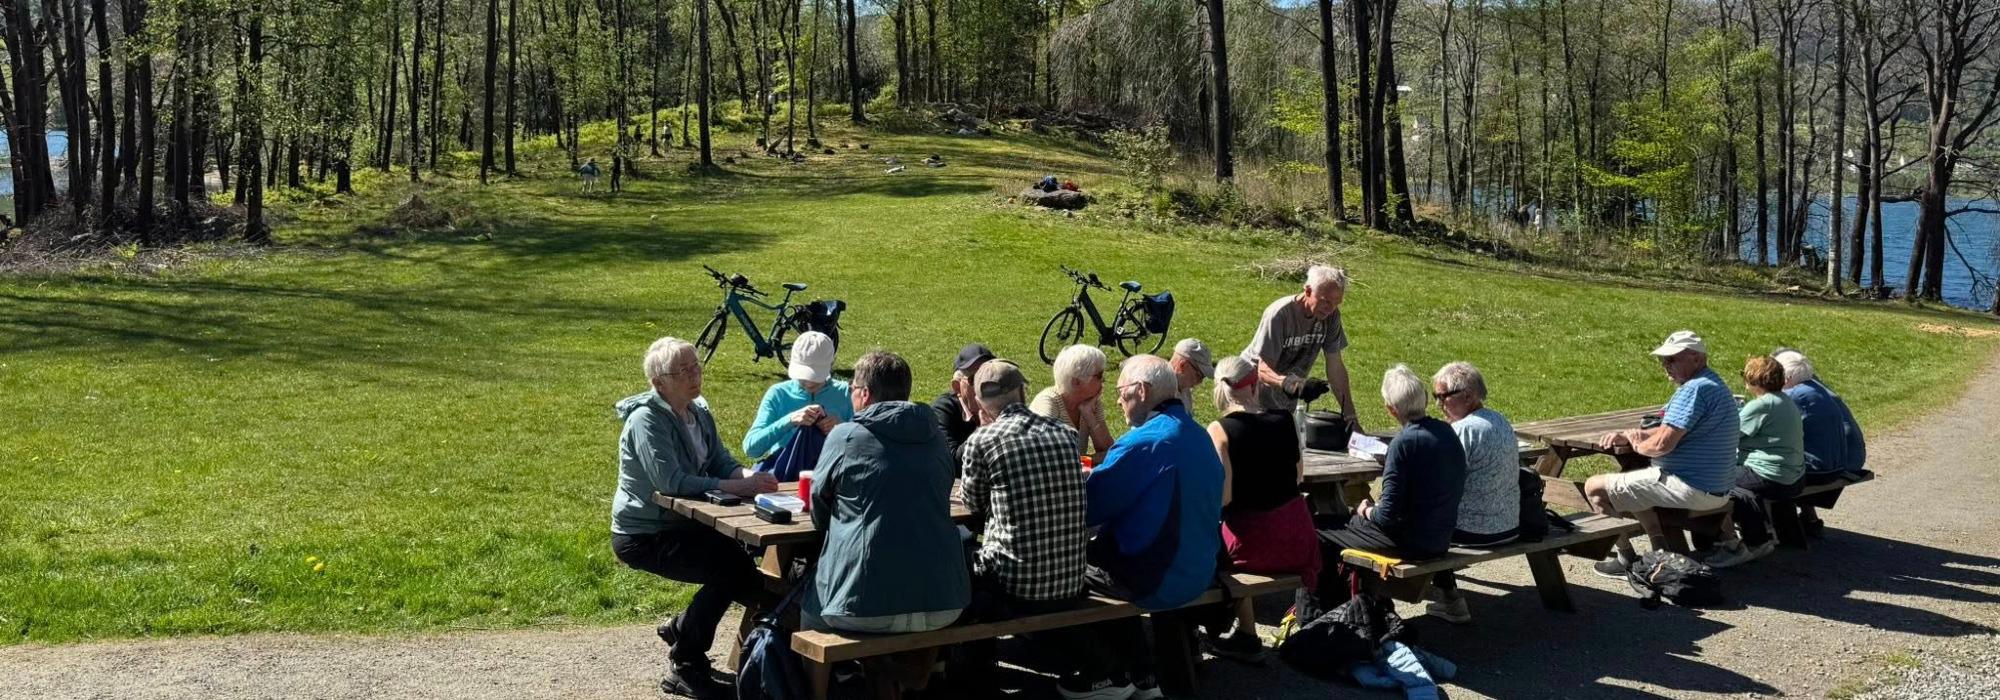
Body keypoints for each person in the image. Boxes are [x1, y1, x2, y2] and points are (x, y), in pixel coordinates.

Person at [610, 337, 779, 700]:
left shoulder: (698, 410)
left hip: (686, 524)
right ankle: (686, 662)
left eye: (696, 366)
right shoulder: (646, 421)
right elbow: (670, 483)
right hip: (645, 533)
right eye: (683, 370)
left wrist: (751, 478)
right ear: (659, 383)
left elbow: (719, 460)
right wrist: (733, 486)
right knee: (732, 572)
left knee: (738, 568)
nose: (694, 375)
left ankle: (685, 632)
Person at [956, 359, 1111, 698]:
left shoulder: (983, 441)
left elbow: (972, 503)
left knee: (960, 555)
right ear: (1023, 392)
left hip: (1017, 584)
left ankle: (971, 674)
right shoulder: (1065, 435)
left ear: (981, 402)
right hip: (1071, 578)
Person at [1083, 354, 1226, 699]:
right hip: (1201, 570)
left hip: (1160, 578)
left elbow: (1088, 509)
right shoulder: (1198, 434)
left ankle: (1110, 672)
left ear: (1142, 391)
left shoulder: (1144, 442)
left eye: (1121, 392)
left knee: (1060, 572)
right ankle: (1149, 668)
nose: (1117, 400)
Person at [803, 351, 970, 633]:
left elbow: (819, 502)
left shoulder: (845, 436)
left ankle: (827, 677)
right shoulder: (935, 437)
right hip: (945, 600)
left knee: (808, 608)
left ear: (865, 394)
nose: (850, 394)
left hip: (861, 603)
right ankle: (917, 676)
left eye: (852, 389)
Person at [1586, 330, 1741, 578]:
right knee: (1631, 477)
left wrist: (1637, 444)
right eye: (1663, 360)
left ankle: (1625, 557)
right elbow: (1669, 428)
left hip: (1692, 488)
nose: (1665, 366)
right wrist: (1630, 435)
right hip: (1717, 488)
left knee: (1594, 487)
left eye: (1672, 359)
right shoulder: (1713, 384)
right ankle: (1659, 548)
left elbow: (1662, 446)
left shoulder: (1694, 390)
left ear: (1696, 358)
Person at [1309, 365, 1465, 605]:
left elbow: (1387, 516)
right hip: (1440, 536)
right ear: (1423, 399)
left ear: (1391, 410)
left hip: (1409, 542)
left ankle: (1322, 611)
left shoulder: (1403, 444)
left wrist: (1366, 509)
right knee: (1341, 523)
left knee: (1320, 529)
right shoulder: (1446, 432)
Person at [1204, 356, 1320, 661]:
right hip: (1298, 536)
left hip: (1252, 544)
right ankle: (1245, 632)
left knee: (1208, 544)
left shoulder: (1219, 430)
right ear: (1255, 385)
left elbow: (1224, 498)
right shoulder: (1284, 420)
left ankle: (1245, 632)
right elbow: (1298, 476)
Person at [1425, 361, 1520, 624]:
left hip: (1476, 534)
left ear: (1467, 396)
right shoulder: (1499, 420)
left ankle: (1449, 598)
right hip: (1509, 526)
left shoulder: (1463, 430)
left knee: (1420, 517)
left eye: (1442, 397)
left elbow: (1434, 483)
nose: (1438, 404)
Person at [1700, 356, 1806, 568]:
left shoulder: (1762, 405)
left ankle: (1747, 542)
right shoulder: (1785, 401)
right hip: (1794, 475)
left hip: (1771, 476)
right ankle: (1761, 535)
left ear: (1752, 379)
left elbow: (1727, 434)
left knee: (1709, 481)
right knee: (1732, 481)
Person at [1242, 264, 1361, 432]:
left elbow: (1336, 368)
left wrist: (1351, 418)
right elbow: (1262, 370)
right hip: (1249, 393)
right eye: (1325, 301)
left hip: (1283, 400)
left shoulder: (1331, 316)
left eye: (1337, 303)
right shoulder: (1280, 314)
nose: (1330, 308)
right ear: (1307, 291)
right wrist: (1292, 385)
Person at [1775, 348, 1868, 536]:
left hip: (1836, 463)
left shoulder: (1795, 396)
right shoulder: (1816, 388)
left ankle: (1768, 529)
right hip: (1845, 457)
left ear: (1786, 377)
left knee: (1768, 468)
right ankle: (1808, 519)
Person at [740, 331, 851, 466]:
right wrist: (790, 420)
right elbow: (751, 448)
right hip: (786, 473)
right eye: (804, 376)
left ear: (832, 364)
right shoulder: (778, 394)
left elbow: (867, 447)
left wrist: (842, 428)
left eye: (816, 376)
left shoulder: (847, 393)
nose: (809, 383)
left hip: (832, 474)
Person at [1032, 344, 1118, 463]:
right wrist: (1087, 460)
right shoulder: (1048, 403)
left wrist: (1089, 416)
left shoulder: (1091, 402)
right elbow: (1046, 457)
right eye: (1099, 376)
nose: (1103, 380)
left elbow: (1111, 452)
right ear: (1076, 382)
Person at [931, 343, 995, 462]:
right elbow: (950, 462)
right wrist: (984, 429)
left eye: (989, 376)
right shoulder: (943, 409)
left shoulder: (1001, 401)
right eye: (975, 379)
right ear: (957, 386)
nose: (984, 383)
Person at [1170, 338, 1215, 407]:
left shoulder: (1185, 393)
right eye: (1198, 375)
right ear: (1182, 365)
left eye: (1203, 377)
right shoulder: (1155, 392)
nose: (1200, 382)